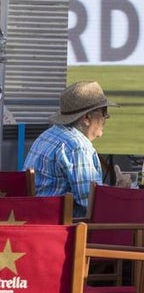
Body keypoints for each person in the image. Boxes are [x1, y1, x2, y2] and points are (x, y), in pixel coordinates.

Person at [25, 80, 119, 217]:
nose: (106, 118)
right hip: (63, 232)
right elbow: (93, 205)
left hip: (36, 225)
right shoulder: (77, 146)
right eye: (104, 112)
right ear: (86, 118)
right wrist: (121, 191)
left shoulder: (46, 136)